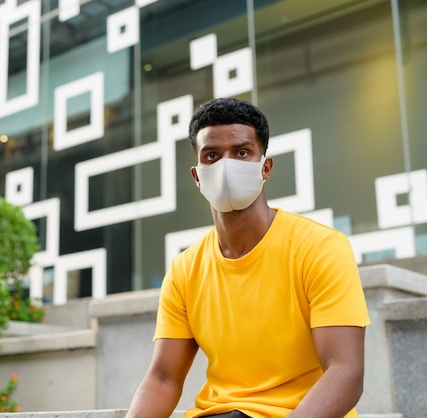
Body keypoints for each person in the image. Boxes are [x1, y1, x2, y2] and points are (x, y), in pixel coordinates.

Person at [126, 98, 370, 418]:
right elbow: (163, 378)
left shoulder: (321, 247)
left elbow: (345, 373)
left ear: (265, 167)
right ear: (197, 176)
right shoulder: (184, 269)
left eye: (242, 152)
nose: (226, 165)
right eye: (211, 156)